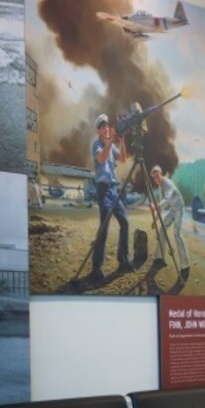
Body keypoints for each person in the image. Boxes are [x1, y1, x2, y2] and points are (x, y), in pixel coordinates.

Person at [91, 113, 133, 282]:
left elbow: (122, 159)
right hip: (103, 190)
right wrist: (111, 141)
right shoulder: (96, 145)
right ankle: (96, 266)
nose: (106, 128)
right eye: (103, 127)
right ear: (98, 130)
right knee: (104, 228)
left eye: (107, 126)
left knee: (124, 222)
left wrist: (121, 141)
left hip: (114, 190)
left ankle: (123, 259)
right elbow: (101, 158)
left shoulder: (111, 146)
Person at [150, 165, 190, 282]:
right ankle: (159, 258)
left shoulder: (167, 183)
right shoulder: (161, 186)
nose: (157, 179)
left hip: (179, 208)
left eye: (157, 176)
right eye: (154, 178)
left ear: (160, 174)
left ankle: (185, 266)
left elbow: (167, 199)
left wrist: (156, 206)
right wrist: (155, 220)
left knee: (176, 234)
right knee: (162, 229)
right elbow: (162, 207)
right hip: (173, 210)